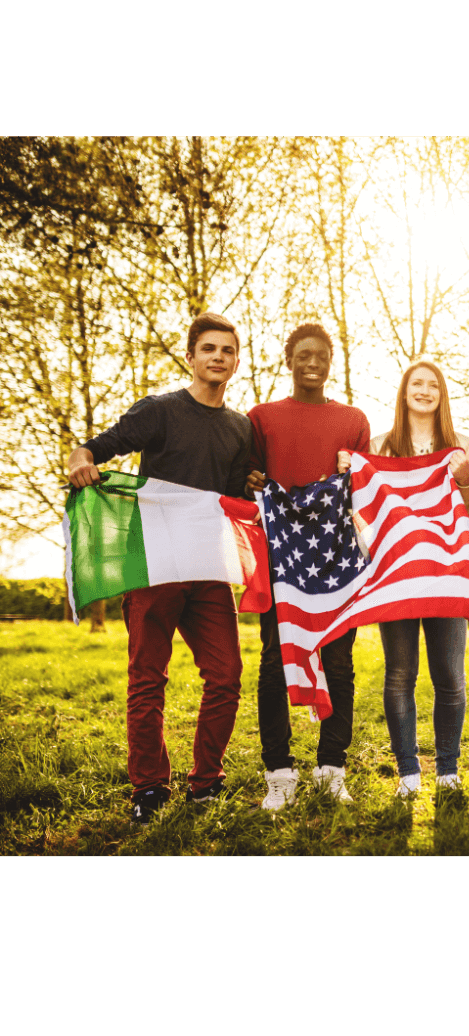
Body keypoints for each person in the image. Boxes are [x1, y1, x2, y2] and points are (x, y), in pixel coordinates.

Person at [66, 312, 253, 824]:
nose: (218, 357)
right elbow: (98, 446)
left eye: (228, 351)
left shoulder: (241, 428)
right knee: (147, 677)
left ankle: (206, 781)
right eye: (209, 349)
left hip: (210, 564)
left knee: (227, 674)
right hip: (153, 561)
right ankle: (149, 787)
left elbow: (236, 495)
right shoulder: (160, 411)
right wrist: (81, 459)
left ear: (237, 362)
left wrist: (256, 486)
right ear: (190, 356)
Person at [245, 323, 370, 810]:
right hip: (283, 561)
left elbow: (368, 487)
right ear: (289, 360)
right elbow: (246, 476)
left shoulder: (353, 419)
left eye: (320, 355)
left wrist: (351, 477)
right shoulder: (262, 417)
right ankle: (279, 772)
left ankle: (331, 768)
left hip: (339, 560)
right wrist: (251, 478)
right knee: (276, 661)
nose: (312, 363)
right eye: (303, 355)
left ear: (331, 361)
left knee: (339, 664)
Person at [364, 361, 469, 797]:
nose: (425, 391)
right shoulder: (380, 446)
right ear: (404, 392)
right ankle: (408, 772)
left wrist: (464, 475)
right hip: (397, 575)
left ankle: (447, 769)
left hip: (448, 574)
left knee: (450, 675)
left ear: (442, 394)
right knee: (400, 674)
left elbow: (468, 509)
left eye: (433, 385)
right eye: (417, 384)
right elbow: (367, 508)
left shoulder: (461, 444)